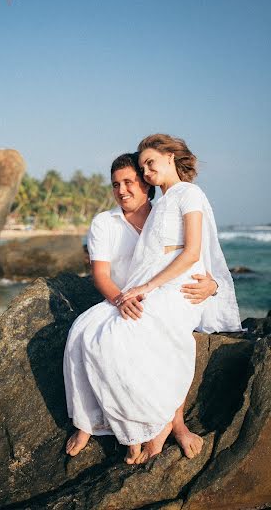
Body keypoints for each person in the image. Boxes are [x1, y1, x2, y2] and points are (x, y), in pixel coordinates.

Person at [63, 135, 242, 464]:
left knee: (143, 338)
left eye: (135, 177)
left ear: (168, 160)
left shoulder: (178, 200)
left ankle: (164, 424)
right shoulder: (111, 221)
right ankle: (92, 421)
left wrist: (214, 285)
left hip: (164, 293)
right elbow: (101, 274)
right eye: (117, 184)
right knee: (83, 332)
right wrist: (122, 298)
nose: (125, 189)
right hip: (130, 296)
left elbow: (196, 253)